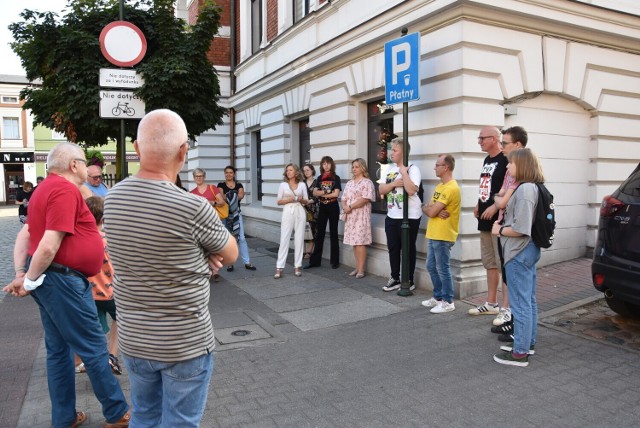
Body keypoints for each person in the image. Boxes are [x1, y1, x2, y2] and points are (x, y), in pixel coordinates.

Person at [103, 109, 238, 426]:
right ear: (183, 151)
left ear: (136, 149)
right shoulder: (192, 207)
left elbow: (145, 248)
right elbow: (230, 253)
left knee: (144, 416)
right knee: (179, 422)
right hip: (185, 343)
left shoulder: (113, 198)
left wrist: (194, 252)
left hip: (135, 339)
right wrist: (204, 253)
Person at [3, 142, 130, 428]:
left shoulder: (43, 190)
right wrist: (29, 280)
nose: (87, 167)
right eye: (84, 162)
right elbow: (48, 246)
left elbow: (27, 238)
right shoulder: (63, 189)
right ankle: (116, 412)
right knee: (94, 347)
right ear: (73, 165)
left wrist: (24, 274)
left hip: (55, 281)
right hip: (64, 281)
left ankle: (65, 418)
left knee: (58, 350)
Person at [492, 148, 545, 367]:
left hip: (518, 251)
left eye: (511, 163)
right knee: (528, 300)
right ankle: (527, 343)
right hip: (527, 250)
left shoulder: (524, 191)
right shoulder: (533, 187)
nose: (507, 167)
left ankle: (520, 352)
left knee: (520, 303)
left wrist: (499, 230)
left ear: (521, 165)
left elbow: (521, 228)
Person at [491, 126, 529, 332]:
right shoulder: (509, 168)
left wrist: (499, 199)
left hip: (510, 232)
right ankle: (512, 322)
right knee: (506, 274)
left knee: (517, 284)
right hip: (502, 228)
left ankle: (515, 326)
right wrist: (500, 198)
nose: (501, 146)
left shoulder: (520, 172)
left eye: (504, 143)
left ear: (518, 145)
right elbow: (499, 196)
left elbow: (502, 200)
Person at [469, 126, 508, 315]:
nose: (479, 141)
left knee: (504, 264)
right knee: (489, 262)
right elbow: (486, 185)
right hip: (484, 219)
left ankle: (506, 307)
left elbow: (510, 189)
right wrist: (479, 203)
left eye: (482, 138)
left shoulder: (506, 159)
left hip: (498, 220)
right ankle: (491, 303)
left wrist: (496, 206)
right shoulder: (487, 160)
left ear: (494, 139)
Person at [84, 196, 122, 376]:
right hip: (112, 292)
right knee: (120, 319)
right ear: (103, 217)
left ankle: (97, 360)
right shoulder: (111, 239)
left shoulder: (81, 240)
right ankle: (112, 355)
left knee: (96, 329)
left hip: (90, 293)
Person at [378, 138, 422, 291]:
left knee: (408, 248)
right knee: (393, 248)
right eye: (391, 150)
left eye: (395, 150)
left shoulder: (413, 169)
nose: (391, 153)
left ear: (403, 153)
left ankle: (408, 279)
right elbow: (381, 190)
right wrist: (393, 184)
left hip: (409, 215)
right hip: (392, 215)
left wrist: (404, 173)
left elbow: (411, 190)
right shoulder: (389, 170)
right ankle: (395, 277)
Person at [420, 154, 461, 313]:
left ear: (446, 167)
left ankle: (448, 301)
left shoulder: (451, 188)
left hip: (444, 234)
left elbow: (430, 211)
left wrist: (431, 210)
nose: (434, 167)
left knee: (442, 268)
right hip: (433, 232)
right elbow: (428, 208)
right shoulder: (439, 187)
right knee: (431, 266)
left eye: (437, 165)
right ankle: (437, 297)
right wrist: (431, 209)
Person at [304, 156, 342, 269]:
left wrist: (322, 193)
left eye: (328, 163)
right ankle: (315, 261)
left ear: (332, 165)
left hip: (333, 206)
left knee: (334, 233)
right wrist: (327, 191)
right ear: (321, 165)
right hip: (322, 207)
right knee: (319, 234)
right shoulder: (320, 178)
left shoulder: (336, 178)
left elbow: (336, 194)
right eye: (324, 164)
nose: (326, 165)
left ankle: (335, 261)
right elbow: (315, 193)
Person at [190, 167, 228, 282]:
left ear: (204, 177)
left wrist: (213, 202)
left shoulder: (212, 188)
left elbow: (222, 202)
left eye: (201, 176)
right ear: (194, 178)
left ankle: (215, 271)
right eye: (196, 176)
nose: (199, 178)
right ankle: (207, 270)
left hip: (213, 221)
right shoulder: (192, 193)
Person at [341, 158, 376, 278]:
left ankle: (361, 269)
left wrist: (350, 206)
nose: (354, 169)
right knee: (354, 243)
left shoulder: (367, 182)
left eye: (356, 167)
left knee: (360, 242)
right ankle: (357, 267)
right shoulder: (350, 183)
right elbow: (344, 198)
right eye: (353, 167)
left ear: (362, 168)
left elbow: (365, 199)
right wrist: (345, 207)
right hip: (351, 216)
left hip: (361, 215)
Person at [218, 165, 257, 272]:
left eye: (230, 172)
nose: (228, 174)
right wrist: (233, 195)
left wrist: (229, 195)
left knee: (242, 238)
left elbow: (241, 196)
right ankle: (230, 263)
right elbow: (221, 197)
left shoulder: (239, 184)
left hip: (236, 214)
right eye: (226, 172)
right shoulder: (220, 185)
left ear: (234, 174)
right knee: (228, 240)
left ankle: (247, 262)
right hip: (225, 215)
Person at [275, 163, 310, 278]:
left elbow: (306, 200)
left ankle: (297, 266)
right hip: (288, 210)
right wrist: (289, 199)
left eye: (290, 170)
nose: (288, 172)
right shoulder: (283, 185)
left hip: (299, 210)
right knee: (284, 237)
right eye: (287, 170)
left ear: (296, 172)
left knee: (299, 238)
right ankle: (279, 267)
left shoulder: (302, 185)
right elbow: (278, 201)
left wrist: (301, 199)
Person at [302, 163, 319, 259]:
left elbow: (317, 197)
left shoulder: (317, 182)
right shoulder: (301, 182)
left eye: (308, 170)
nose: (306, 172)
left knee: (312, 229)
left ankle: (309, 251)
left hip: (313, 210)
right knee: (303, 229)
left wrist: (308, 201)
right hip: (303, 209)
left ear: (312, 170)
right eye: (304, 170)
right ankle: (303, 250)